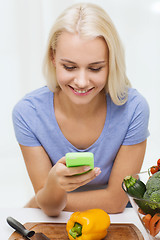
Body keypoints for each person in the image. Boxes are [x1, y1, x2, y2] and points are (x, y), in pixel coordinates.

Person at [12, 2, 150, 216]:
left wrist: (43, 199)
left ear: (111, 63)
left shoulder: (133, 109)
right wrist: (49, 193)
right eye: (69, 67)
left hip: (117, 221)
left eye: (95, 68)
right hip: (56, 223)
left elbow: (115, 202)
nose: (82, 81)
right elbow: (49, 207)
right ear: (52, 58)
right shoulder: (28, 113)